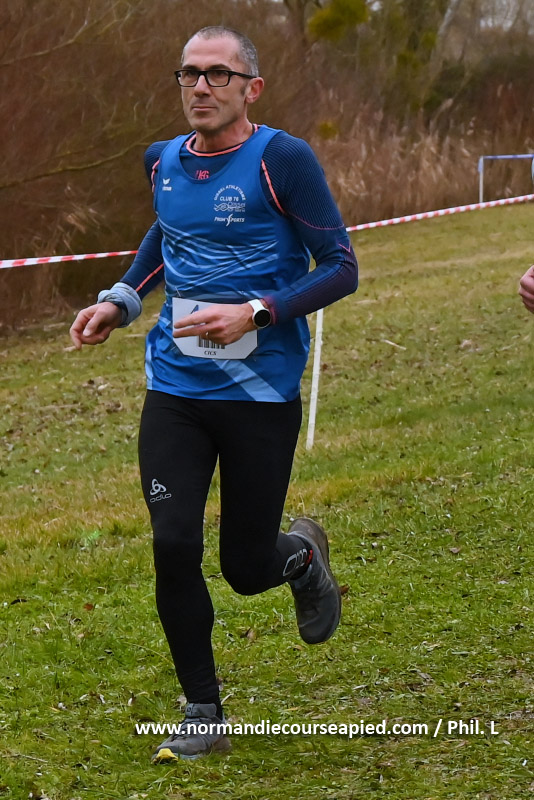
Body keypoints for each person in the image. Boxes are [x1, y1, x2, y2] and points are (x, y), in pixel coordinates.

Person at [70, 26, 358, 762]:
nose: (200, 86)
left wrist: (256, 313)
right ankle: (203, 711)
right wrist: (119, 300)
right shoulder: (161, 160)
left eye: (218, 74)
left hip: (260, 394)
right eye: (189, 73)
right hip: (177, 387)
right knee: (173, 544)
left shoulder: (282, 160)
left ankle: (300, 560)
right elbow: (165, 237)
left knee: (245, 568)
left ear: (250, 88)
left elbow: (340, 266)